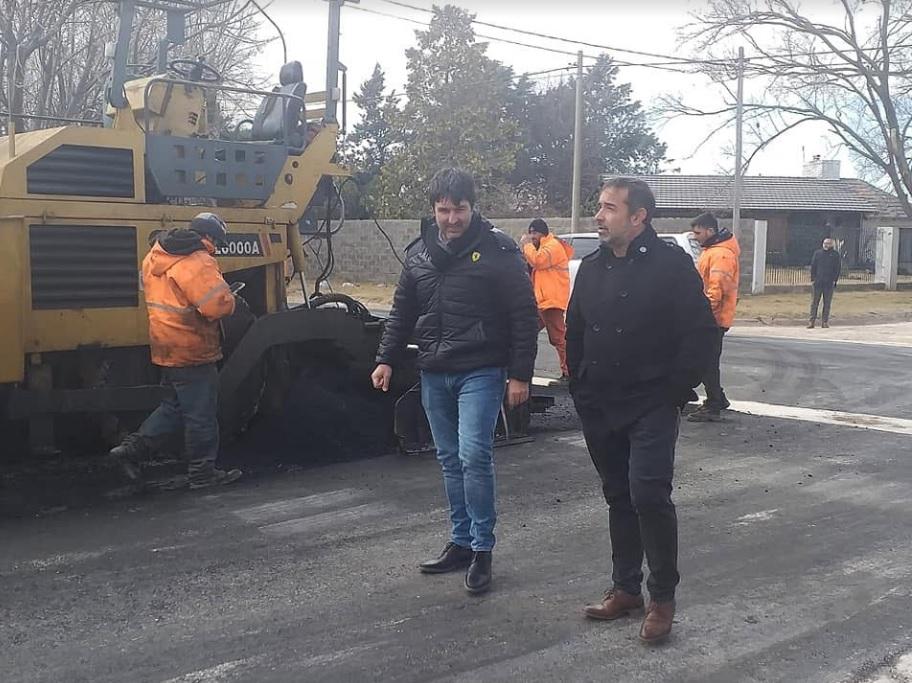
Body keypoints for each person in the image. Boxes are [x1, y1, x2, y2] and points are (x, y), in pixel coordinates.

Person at [372, 168, 539, 595]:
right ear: (434, 209)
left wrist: (520, 374)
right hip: (433, 371)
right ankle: (461, 542)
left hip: (481, 369)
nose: (451, 219)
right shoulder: (419, 254)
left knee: (473, 455)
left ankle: (483, 549)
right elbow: (401, 312)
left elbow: (524, 315)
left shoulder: (499, 251)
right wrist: (386, 360)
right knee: (449, 459)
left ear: (472, 207)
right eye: (444, 210)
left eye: (459, 209)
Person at [567, 178, 717, 644]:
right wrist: (580, 386)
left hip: (651, 402)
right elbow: (575, 330)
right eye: (599, 206)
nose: (599, 215)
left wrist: (675, 389)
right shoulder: (591, 269)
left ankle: (663, 599)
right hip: (601, 404)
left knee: (648, 495)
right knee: (618, 495)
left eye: (609, 208)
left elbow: (701, 334)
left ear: (638, 217)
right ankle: (625, 589)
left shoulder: (672, 266)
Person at [109, 212, 242, 490]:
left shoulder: (154, 257)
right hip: (192, 348)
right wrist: (231, 299)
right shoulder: (197, 261)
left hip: (165, 347)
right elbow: (216, 306)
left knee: (174, 408)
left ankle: (130, 451)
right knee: (201, 414)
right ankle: (203, 473)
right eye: (217, 240)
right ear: (210, 237)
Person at [687, 212, 740, 423]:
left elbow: (715, 289)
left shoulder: (720, 255)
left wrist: (704, 316)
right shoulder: (714, 251)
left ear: (710, 231)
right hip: (713, 316)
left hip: (713, 318)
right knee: (707, 359)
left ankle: (713, 404)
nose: (695, 236)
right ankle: (718, 397)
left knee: (707, 361)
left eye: (698, 232)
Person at [520, 218, 574, 381]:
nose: (531, 236)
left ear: (541, 233)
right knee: (525, 332)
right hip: (541, 301)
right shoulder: (544, 246)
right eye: (530, 233)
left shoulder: (552, 246)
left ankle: (569, 370)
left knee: (558, 337)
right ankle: (518, 368)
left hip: (551, 301)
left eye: (534, 233)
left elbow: (538, 261)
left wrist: (526, 245)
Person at [808, 238, 841, 329]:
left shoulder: (835, 255)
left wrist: (835, 280)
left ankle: (824, 322)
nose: (826, 245)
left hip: (829, 283)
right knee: (814, 303)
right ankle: (811, 321)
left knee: (827, 304)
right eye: (825, 243)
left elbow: (837, 268)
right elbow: (813, 266)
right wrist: (813, 279)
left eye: (828, 243)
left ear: (832, 245)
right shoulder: (818, 253)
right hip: (818, 282)